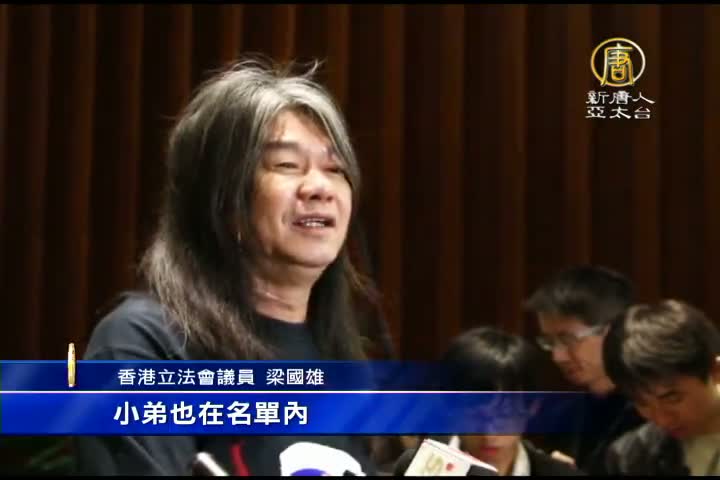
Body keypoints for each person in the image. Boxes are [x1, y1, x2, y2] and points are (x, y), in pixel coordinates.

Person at [73, 58, 381, 475]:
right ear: (222, 200)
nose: (320, 187)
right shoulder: (145, 345)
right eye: (287, 166)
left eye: (334, 168)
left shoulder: (339, 363)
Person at [524, 265, 644, 474]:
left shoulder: (655, 414)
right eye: (549, 342)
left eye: (568, 339)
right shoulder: (565, 416)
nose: (557, 356)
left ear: (615, 330)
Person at [439, 327, 583, 476]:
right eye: (477, 417)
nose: (489, 435)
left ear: (533, 406)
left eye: (504, 415)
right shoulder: (423, 465)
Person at [603, 299, 720, 475]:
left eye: (672, 398)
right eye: (642, 403)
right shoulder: (631, 457)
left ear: (715, 371)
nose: (662, 420)